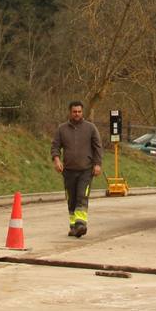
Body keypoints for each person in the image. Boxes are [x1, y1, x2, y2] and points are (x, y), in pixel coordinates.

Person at [50, 100, 102, 237]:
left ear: (82, 112)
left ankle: (81, 224)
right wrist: (56, 160)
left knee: (81, 196)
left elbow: (98, 147)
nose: (77, 114)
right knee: (71, 199)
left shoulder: (90, 128)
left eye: (79, 111)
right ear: (70, 112)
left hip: (86, 170)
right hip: (68, 171)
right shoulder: (62, 129)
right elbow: (55, 147)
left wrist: (97, 164)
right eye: (74, 112)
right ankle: (73, 226)